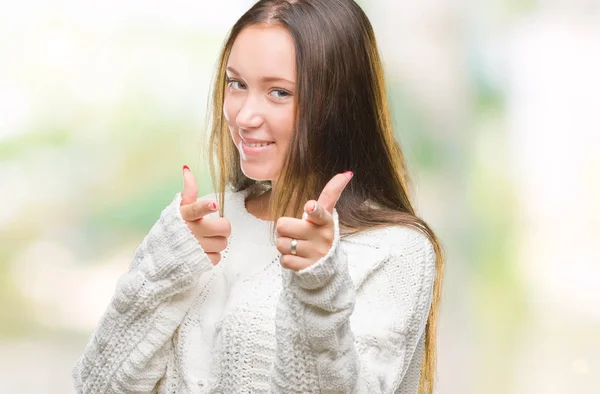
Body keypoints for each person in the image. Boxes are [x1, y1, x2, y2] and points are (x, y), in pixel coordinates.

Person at [72, 0, 444, 393]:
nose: (245, 116)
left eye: (279, 92)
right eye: (237, 84)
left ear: (339, 105)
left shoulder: (396, 250)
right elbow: (96, 386)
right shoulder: (199, 224)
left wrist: (318, 286)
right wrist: (162, 271)